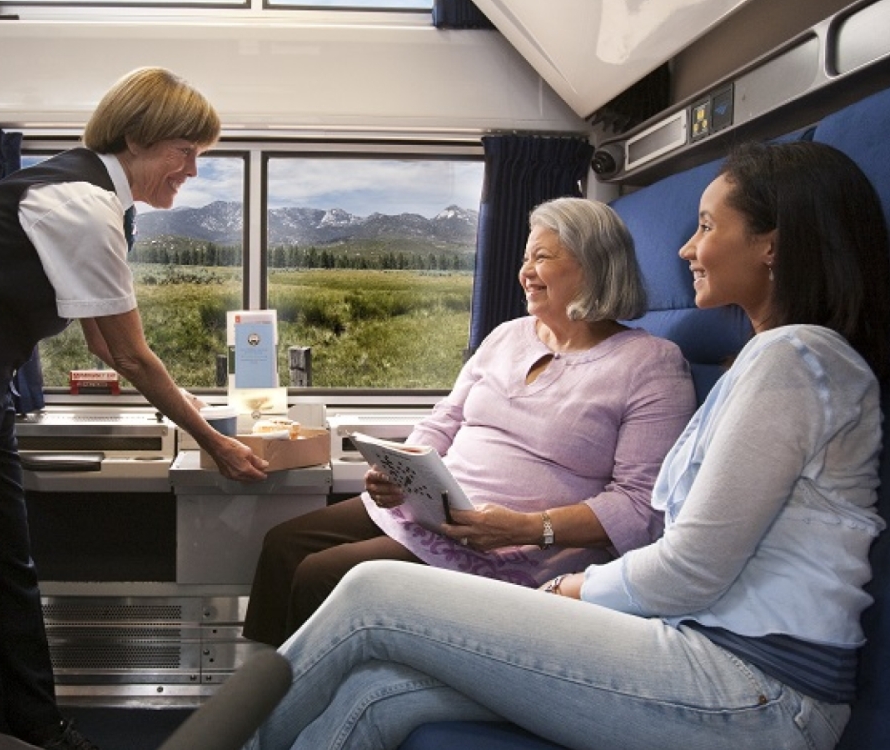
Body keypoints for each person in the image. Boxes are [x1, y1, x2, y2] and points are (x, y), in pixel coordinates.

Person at [242, 139, 890, 750]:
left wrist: (566, 592)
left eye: (707, 227)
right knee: (374, 692)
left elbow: (687, 564)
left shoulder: (792, 359)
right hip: (697, 647)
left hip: (756, 691)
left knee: (370, 593)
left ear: (772, 246)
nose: (688, 249)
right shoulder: (759, 362)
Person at [0, 67, 268, 750]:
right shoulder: (81, 202)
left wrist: (192, 406)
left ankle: (37, 724)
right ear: (137, 137)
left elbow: (107, 346)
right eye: (184, 151)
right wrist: (213, 443)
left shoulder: (102, 205)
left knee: (8, 559)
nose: (193, 170)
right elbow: (133, 357)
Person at [243, 197, 698, 647]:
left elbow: (641, 509)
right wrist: (399, 467)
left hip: (521, 541)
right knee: (283, 544)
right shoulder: (507, 335)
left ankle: (298, 708)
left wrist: (525, 527)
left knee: (324, 575)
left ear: (595, 265)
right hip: (435, 508)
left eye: (542, 257)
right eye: (525, 257)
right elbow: (448, 417)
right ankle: (261, 692)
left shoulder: (650, 364)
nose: (525, 272)